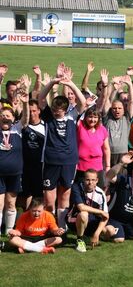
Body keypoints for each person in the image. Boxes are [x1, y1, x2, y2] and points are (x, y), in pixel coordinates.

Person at [38, 71, 87, 229]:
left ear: (65, 110)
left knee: (64, 197)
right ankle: (49, 228)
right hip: (50, 160)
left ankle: (62, 228)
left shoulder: (72, 115)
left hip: (69, 161)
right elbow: (40, 98)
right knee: (48, 199)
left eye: (57, 110)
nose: (54, 111)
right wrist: (53, 82)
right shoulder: (48, 116)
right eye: (53, 109)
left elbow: (83, 102)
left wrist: (70, 83)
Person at [0, 93, 29, 234]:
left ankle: (9, 231)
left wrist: (25, 103)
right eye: (3, 115)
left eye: (8, 115)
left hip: (15, 173)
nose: (5, 117)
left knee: (11, 203)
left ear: (13, 118)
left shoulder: (17, 129)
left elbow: (26, 118)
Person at [66, 169, 109, 252]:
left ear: (97, 180)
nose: (90, 183)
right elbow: (81, 207)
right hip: (74, 220)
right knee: (83, 214)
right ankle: (80, 240)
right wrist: (100, 211)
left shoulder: (100, 193)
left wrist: (97, 234)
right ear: (83, 179)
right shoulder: (76, 187)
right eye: (88, 180)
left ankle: (91, 237)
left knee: (110, 232)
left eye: (93, 180)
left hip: (92, 221)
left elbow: (105, 216)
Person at [19, 100, 45, 211]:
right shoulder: (21, 126)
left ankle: (40, 219)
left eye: (34, 110)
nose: (32, 113)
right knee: (26, 194)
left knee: (39, 194)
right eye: (29, 111)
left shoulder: (45, 126)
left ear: (39, 111)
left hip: (40, 166)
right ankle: (26, 218)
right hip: (24, 166)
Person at [76, 106, 110, 188]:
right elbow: (77, 113)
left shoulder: (102, 129)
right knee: (81, 192)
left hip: (97, 168)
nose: (92, 120)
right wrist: (85, 105)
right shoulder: (80, 126)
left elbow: (106, 149)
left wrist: (108, 166)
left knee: (99, 191)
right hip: (81, 167)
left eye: (95, 117)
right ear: (85, 117)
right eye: (90, 117)